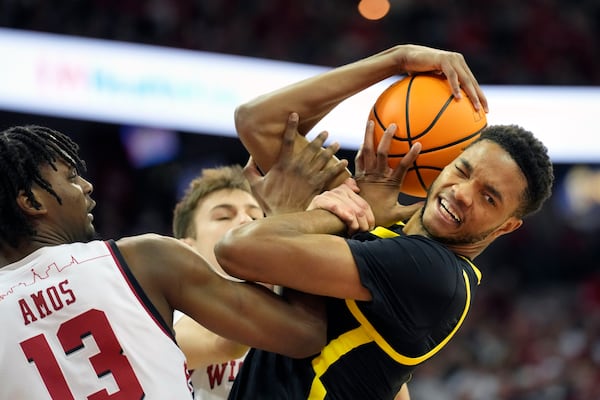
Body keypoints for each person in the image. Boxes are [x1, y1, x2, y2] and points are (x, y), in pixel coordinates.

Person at [213, 44, 555, 399]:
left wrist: (293, 212)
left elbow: (239, 249)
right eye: (463, 170)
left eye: (489, 197)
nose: (463, 194)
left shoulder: (436, 273)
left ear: (506, 226)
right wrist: (397, 60)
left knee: (157, 261)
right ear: (446, 163)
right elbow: (256, 122)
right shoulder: (374, 219)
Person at [0, 124, 349, 398]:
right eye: (71, 178)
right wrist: (289, 218)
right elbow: (304, 333)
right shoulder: (142, 258)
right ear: (31, 202)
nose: (88, 186)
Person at [171, 165, 266, 399]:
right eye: (224, 216)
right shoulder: (172, 317)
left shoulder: (293, 302)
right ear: (187, 248)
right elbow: (226, 343)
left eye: (255, 216)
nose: (245, 220)